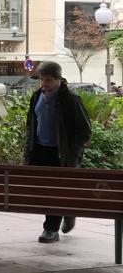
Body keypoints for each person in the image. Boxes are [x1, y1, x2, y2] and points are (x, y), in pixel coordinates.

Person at [25, 61, 91, 243]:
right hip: (39, 150)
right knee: (42, 191)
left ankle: (51, 229)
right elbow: (32, 123)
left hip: (61, 153)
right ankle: (68, 209)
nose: (43, 84)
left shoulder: (70, 99)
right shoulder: (37, 95)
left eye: (47, 80)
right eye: (41, 80)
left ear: (58, 79)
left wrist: (71, 154)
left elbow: (85, 131)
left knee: (53, 192)